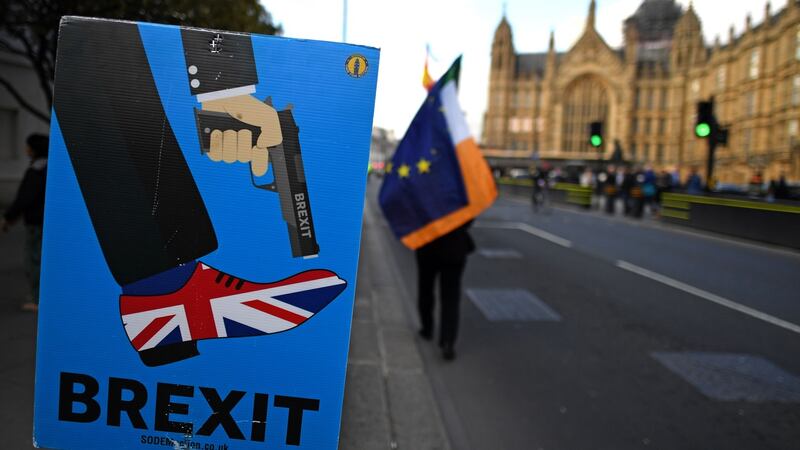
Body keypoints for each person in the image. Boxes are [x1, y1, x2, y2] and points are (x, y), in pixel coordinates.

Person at [2, 134, 49, 312]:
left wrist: (8, 218)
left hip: (36, 223)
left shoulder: (35, 171)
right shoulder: (52, 169)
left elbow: (24, 199)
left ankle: (37, 299)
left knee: (34, 260)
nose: (26, 150)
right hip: (47, 223)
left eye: (28, 146)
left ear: (34, 150)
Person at [416, 221, 475, 361]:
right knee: (451, 297)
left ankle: (427, 328)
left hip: (427, 243)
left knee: (425, 289)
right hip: (454, 245)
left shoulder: (423, 198)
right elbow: (469, 217)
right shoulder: (458, 198)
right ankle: (448, 341)